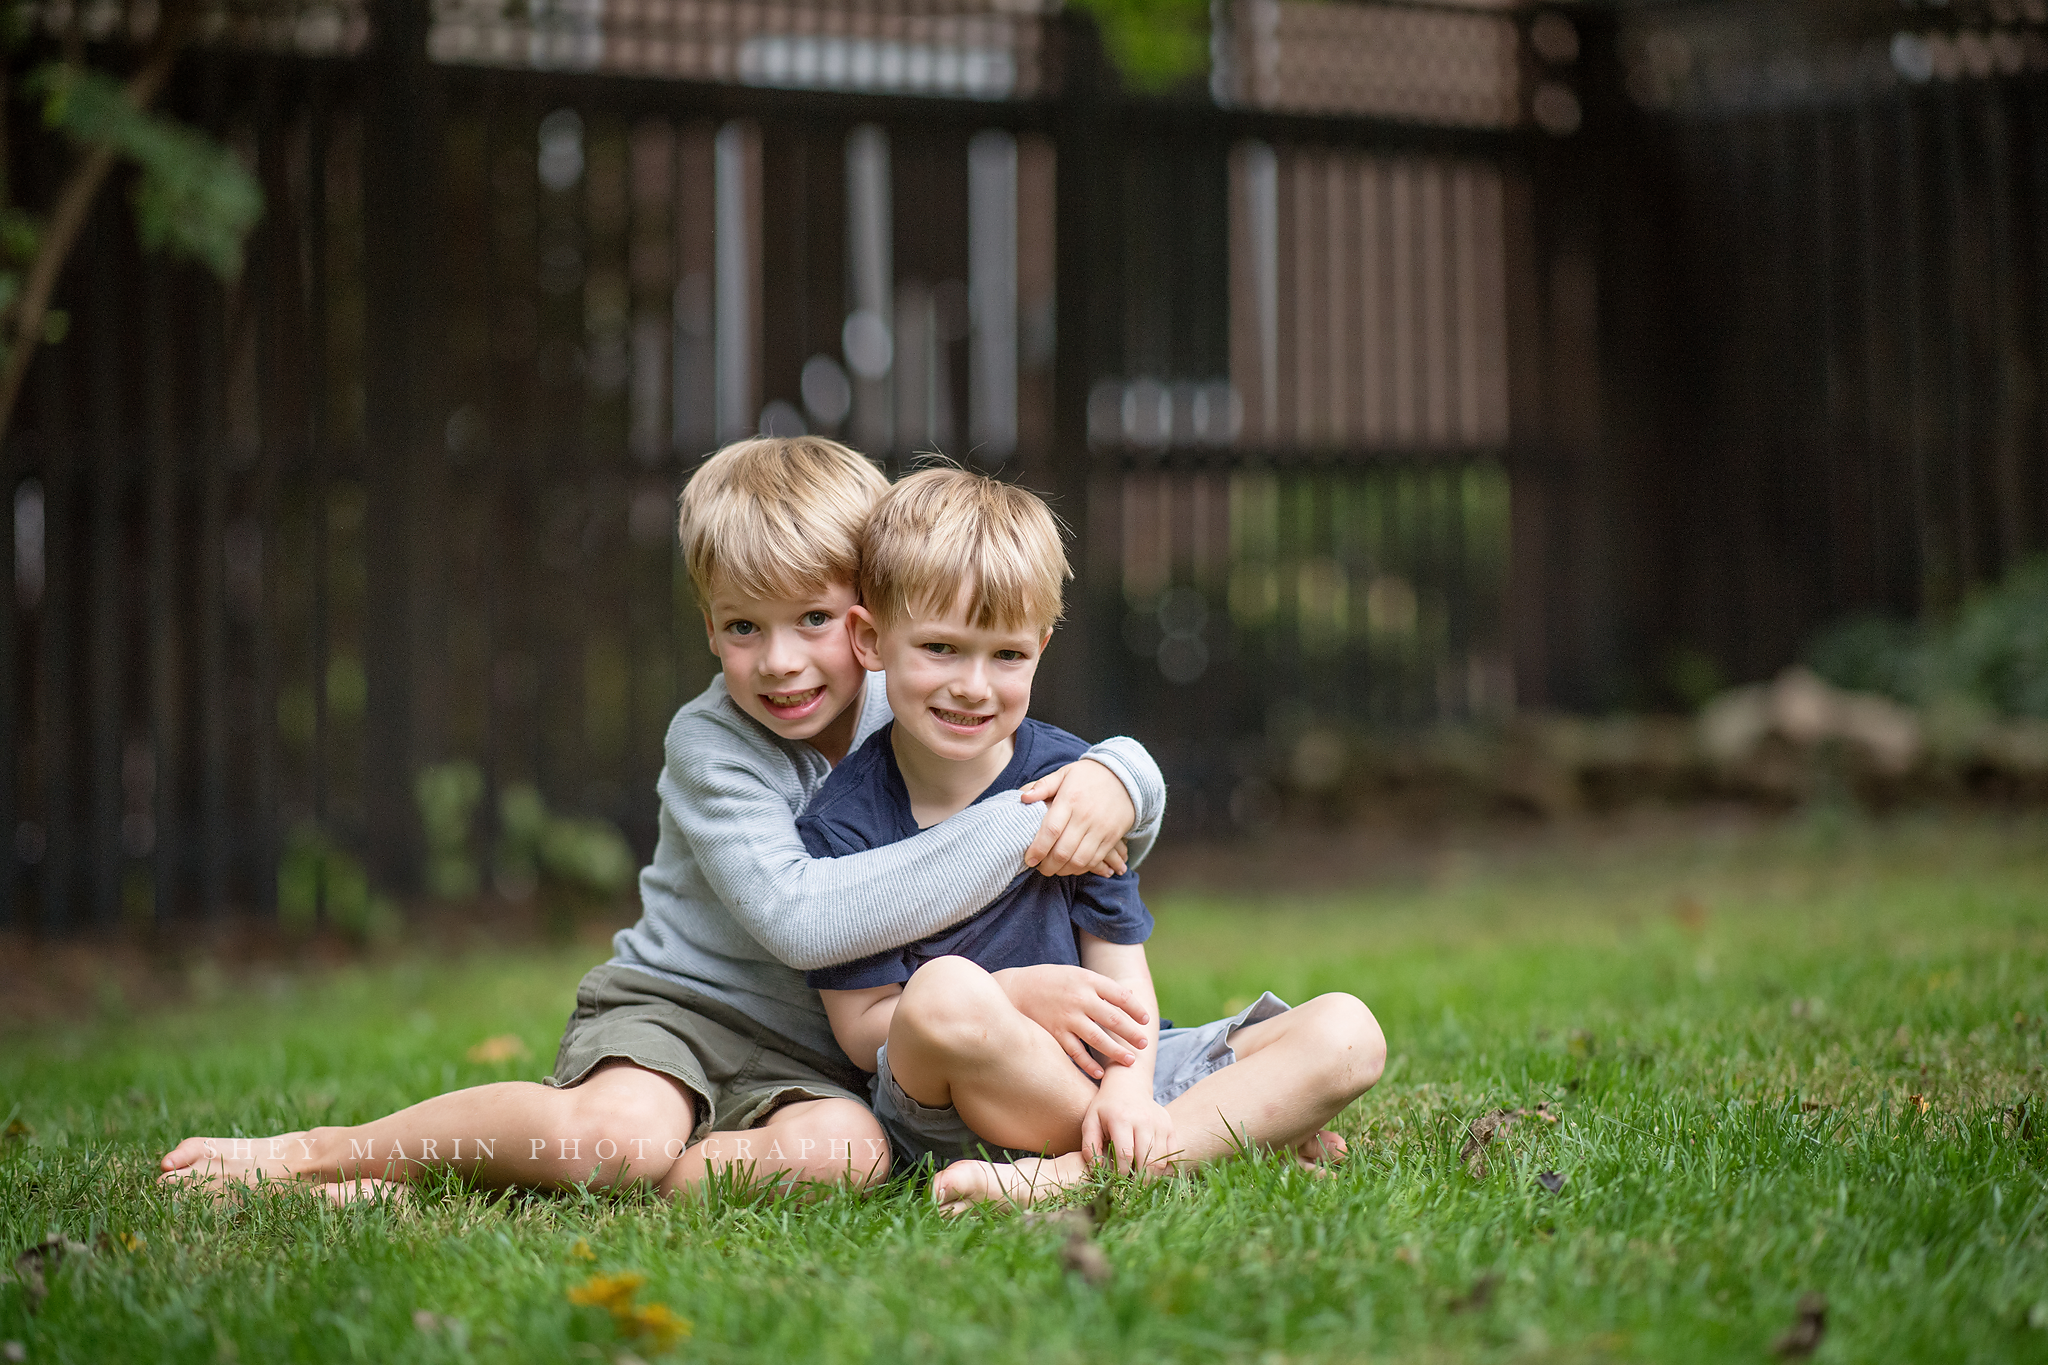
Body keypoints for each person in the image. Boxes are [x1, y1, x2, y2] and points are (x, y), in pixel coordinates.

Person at [158, 436, 1167, 1201]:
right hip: (681, 1011)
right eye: (742, 627)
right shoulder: (712, 746)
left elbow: (1075, 797)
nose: (779, 662)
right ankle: (318, 1155)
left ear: (872, 620)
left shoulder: (909, 704)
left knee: (850, 1158)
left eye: (813, 621)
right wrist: (1027, 819)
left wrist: (1117, 778)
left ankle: (620, 1188)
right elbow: (802, 922)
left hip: (829, 1049)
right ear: (707, 625)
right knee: (617, 1140)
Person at [798, 466, 1388, 1213]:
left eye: (1007, 655)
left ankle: (1076, 1174)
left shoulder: (1074, 784)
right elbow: (864, 1033)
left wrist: (1129, 1089)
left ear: (1041, 647)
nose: (975, 685)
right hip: (957, 1101)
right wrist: (1014, 993)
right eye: (942, 648)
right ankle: (1216, 1135)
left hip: (1110, 1076)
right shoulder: (845, 819)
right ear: (871, 639)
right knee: (941, 991)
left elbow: (1121, 976)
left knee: (1349, 1030)